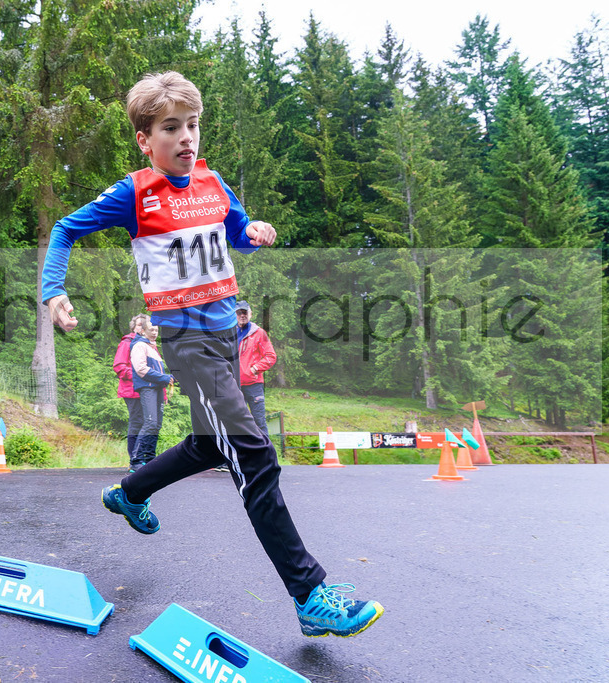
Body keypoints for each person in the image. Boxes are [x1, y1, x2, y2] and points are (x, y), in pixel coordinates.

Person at [41, 71, 383, 638]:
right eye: (171, 128)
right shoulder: (134, 194)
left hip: (227, 335)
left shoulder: (212, 182)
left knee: (207, 445)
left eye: (193, 126)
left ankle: (130, 493)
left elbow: (237, 231)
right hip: (188, 343)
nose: (186, 138)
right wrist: (55, 289)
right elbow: (63, 230)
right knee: (254, 455)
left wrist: (257, 230)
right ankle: (310, 595)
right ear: (145, 141)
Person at [129, 315, 172, 471]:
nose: (154, 333)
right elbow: (140, 369)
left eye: (156, 330)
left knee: (156, 425)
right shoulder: (139, 345)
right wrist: (165, 378)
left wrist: (166, 380)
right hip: (147, 387)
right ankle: (136, 460)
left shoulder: (152, 347)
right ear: (144, 331)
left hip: (157, 388)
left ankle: (150, 459)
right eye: (151, 330)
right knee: (150, 423)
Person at [236, 300, 277, 437]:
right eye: (239, 313)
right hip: (234, 385)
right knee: (237, 422)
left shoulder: (259, 333)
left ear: (250, 314)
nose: (242, 315)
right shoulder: (229, 334)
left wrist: (254, 369)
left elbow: (271, 356)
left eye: (245, 312)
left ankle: (265, 455)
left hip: (254, 385)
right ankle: (243, 454)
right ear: (234, 315)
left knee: (259, 422)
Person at [113, 315, 146, 471]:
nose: (142, 328)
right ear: (134, 327)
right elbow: (119, 367)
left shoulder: (149, 345)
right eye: (139, 325)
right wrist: (140, 376)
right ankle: (134, 461)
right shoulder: (127, 343)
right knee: (137, 422)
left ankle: (142, 458)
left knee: (149, 424)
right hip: (132, 390)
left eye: (144, 325)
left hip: (148, 392)